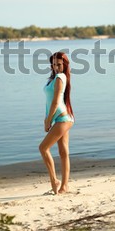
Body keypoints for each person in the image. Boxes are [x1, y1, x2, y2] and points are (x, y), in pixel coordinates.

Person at [39, 51, 74, 195]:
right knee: (63, 152)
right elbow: (50, 102)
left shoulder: (60, 77)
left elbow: (55, 102)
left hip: (62, 119)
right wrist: (46, 118)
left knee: (43, 148)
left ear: (64, 64)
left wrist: (48, 120)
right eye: (53, 64)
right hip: (62, 118)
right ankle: (64, 186)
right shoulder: (54, 78)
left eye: (59, 64)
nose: (56, 67)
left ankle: (55, 181)